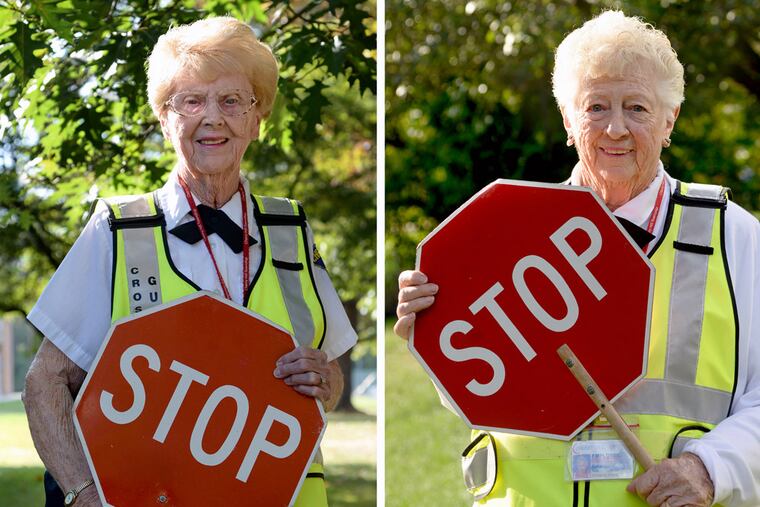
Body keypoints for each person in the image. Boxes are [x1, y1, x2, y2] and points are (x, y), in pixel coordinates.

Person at [395, 10, 759, 507]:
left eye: (636, 108)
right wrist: (434, 335)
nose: (615, 129)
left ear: (669, 120)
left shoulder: (732, 234)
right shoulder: (505, 231)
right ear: (568, 120)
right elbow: (481, 392)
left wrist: (710, 468)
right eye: (595, 108)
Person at [23, 16, 357, 507]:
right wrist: (85, 494)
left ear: (257, 118)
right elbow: (45, 383)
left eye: (232, 101)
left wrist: (324, 380)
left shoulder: (291, 229)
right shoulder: (117, 231)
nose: (212, 118)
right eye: (191, 101)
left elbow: (329, 380)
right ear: (164, 119)